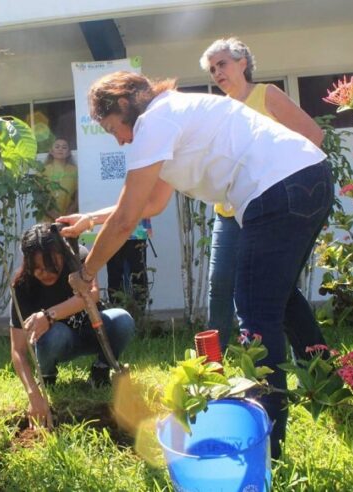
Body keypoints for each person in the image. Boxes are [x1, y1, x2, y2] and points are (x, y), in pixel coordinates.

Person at [59, 71, 333, 459]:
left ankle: (269, 447)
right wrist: (91, 219)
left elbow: (127, 220)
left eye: (111, 128)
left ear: (123, 106)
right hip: (310, 177)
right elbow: (150, 204)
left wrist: (86, 274)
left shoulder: (154, 122)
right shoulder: (176, 113)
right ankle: (328, 386)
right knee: (281, 298)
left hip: (276, 189)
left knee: (254, 312)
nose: (119, 139)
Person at [199, 37, 325, 350]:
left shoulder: (266, 94)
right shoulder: (221, 110)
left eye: (222, 64)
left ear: (243, 63)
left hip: (268, 210)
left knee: (277, 289)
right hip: (228, 212)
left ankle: (315, 364)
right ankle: (210, 369)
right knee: (219, 286)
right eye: (212, 68)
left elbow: (313, 136)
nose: (217, 72)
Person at [9, 223, 135, 428]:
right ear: (28, 263)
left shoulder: (78, 258)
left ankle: (100, 370)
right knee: (55, 333)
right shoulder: (22, 287)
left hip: (91, 332)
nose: (46, 273)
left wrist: (48, 315)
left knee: (122, 320)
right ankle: (48, 376)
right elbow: (18, 351)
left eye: (52, 266)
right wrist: (33, 393)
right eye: (38, 269)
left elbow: (92, 294)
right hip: (55, 343)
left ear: (62, 255)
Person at [106, 218, 152, 315]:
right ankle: (116, 314)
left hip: (137, 230)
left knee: (138, 275)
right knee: (115, 276)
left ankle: (139, 315)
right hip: (113, 231)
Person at [39, 138, 78, 223]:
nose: (60, 149)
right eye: (57, 147)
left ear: (68, 153)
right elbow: (39, 197)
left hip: (69, 218)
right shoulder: (43, 170)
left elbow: (77, 196)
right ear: (51, 151)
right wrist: (55, 216)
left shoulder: (74, 170)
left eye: (64, 147)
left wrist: (67, 215)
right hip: (47, 219)